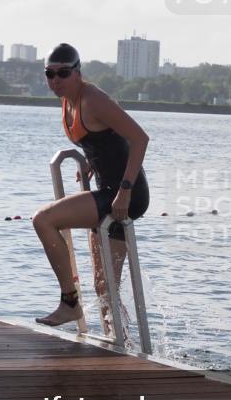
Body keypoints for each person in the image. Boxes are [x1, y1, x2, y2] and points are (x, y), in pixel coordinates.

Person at [32, 43, 150, 327]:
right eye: (49, 74)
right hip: (108, 190)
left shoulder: (93, 98)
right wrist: (89, 161)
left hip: (124, 195)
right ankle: (123, 344)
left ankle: (70, 303)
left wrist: (124, 190)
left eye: (62, 73)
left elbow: (139, 139)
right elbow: (102, 140)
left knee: (44, 220)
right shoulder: (68, 101)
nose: (55, 80)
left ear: (77, 72)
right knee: (104, 286)